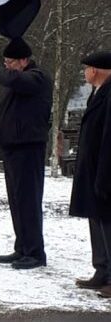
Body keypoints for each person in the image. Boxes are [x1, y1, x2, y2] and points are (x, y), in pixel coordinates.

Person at [0, 37, 53, 269]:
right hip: (13, 146)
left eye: (10, 61)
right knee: (17, 200)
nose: (8, 66)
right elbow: (11, 112)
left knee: (28, 200)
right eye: (5, 62)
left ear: (24, 61)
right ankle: (22, 246)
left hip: (28, 146)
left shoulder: (37, 78)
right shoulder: (16, 83)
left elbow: (16, 80)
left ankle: (35, 252)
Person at [69, 51, 111, 297]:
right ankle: (102, 270)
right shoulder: (98, 93)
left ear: (95, 70)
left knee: (107, 223)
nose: (85, 73)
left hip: (104, 170)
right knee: (96, 220)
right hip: (92, 168)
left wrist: (104, 175)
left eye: (86, 68)